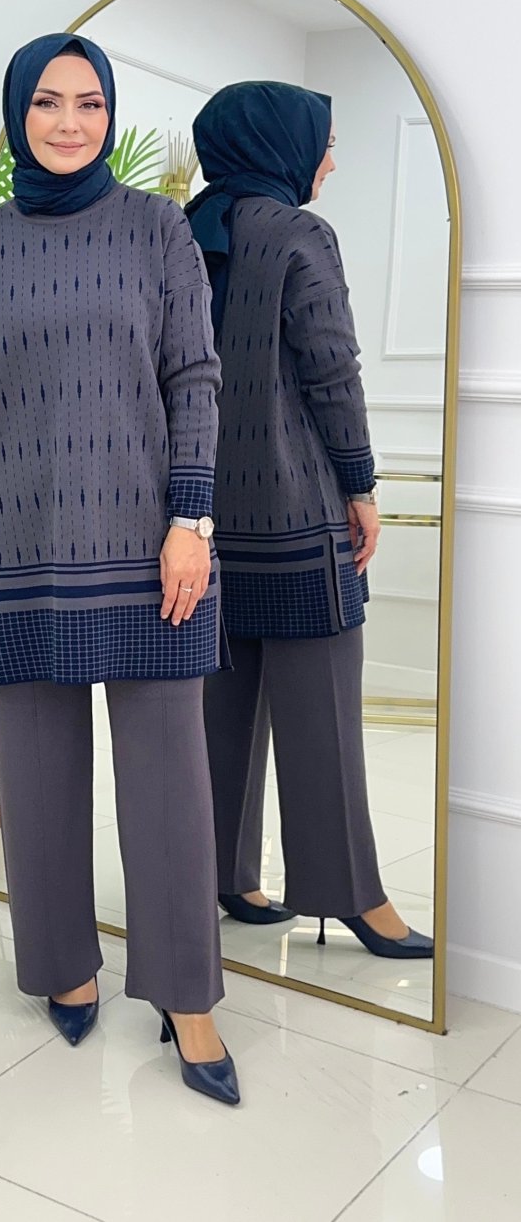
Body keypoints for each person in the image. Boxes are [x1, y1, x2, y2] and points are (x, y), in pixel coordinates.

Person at [0, 33, 240, 1104]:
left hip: (149, 544)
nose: (70, 122)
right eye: (49, 103)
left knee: (169, 782)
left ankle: (187, 997)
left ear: (110, 115)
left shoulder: (157, 228)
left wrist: (191, 518)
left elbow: (195, 377)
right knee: (32, 772)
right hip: (8, 537)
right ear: (18, 113)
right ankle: (63, 961)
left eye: (90, 103)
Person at [185, 81, 433, 960]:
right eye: (324, 142)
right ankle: (347, 895)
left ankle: (222, 874)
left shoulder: (177, 230)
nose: (329, 161)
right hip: (295, 512)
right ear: (279, 143)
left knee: (218, 704)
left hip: (199, 519)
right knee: (322, 708)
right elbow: (332, 370)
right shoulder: (299, 234)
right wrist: (362, 485)